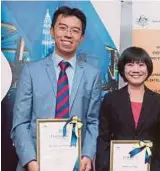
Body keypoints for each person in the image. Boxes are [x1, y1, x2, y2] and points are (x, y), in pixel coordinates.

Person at [11, 6, 100, 171]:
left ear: (81, 37)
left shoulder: (92, 75)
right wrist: (31, 161)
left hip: (76, 164)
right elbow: (20, 123)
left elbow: (93, 122)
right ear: (52, 31)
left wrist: (87, 155)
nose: (68, 34)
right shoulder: (31, 71)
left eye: (75, 30)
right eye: (62, 28)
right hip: (36, 163)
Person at [96, 46, 160, 171]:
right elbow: (103, 137)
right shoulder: (111, 99)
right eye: (130, 65)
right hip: (117, 166)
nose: (136, 70)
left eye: (141, 65)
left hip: (152, 166)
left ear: (148, 68)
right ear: (123, 68)